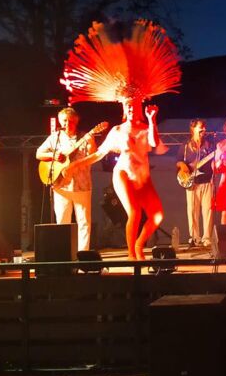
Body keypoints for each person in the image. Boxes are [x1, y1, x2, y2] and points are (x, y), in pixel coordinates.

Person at [57, 19, 181, 261]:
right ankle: (134, 255)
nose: (133, 109)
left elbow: (156, 145)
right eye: (129, 106)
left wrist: (153, 120)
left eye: (135, 105)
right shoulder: (116, 131)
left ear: (140, 106)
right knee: (134, 212)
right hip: (123, 174)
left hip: (143, 177)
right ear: (124, 109)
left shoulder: (146, 128)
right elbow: (97, 154)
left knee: (156, 216)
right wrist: (74, 165)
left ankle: (139, 243)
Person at [35, 106, 98, 251]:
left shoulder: (84, 137)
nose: (67, 124)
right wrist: (54, 155)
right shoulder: (55, 138)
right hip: (61, 186)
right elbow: (39, 154)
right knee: (62, 223)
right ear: (60, 121)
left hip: (82, 186)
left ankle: (83, 257)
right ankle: (64, 255)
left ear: (76, 122)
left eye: (70, 121)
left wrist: (92, 142)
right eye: (64, 121)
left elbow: (94, 157)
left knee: (84, 223)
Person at [176, 119, 215, 247]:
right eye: (200, 127)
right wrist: (183, 166)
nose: (203, 129)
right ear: (193, 129)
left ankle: (207, 238)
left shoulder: (210, 144)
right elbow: (178, 160)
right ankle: (194, 237)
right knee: (192, 211)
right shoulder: (185, 146)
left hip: (206, 180)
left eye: (204, 126)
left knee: (208, 210)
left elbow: (215, 158)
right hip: (192, 182)